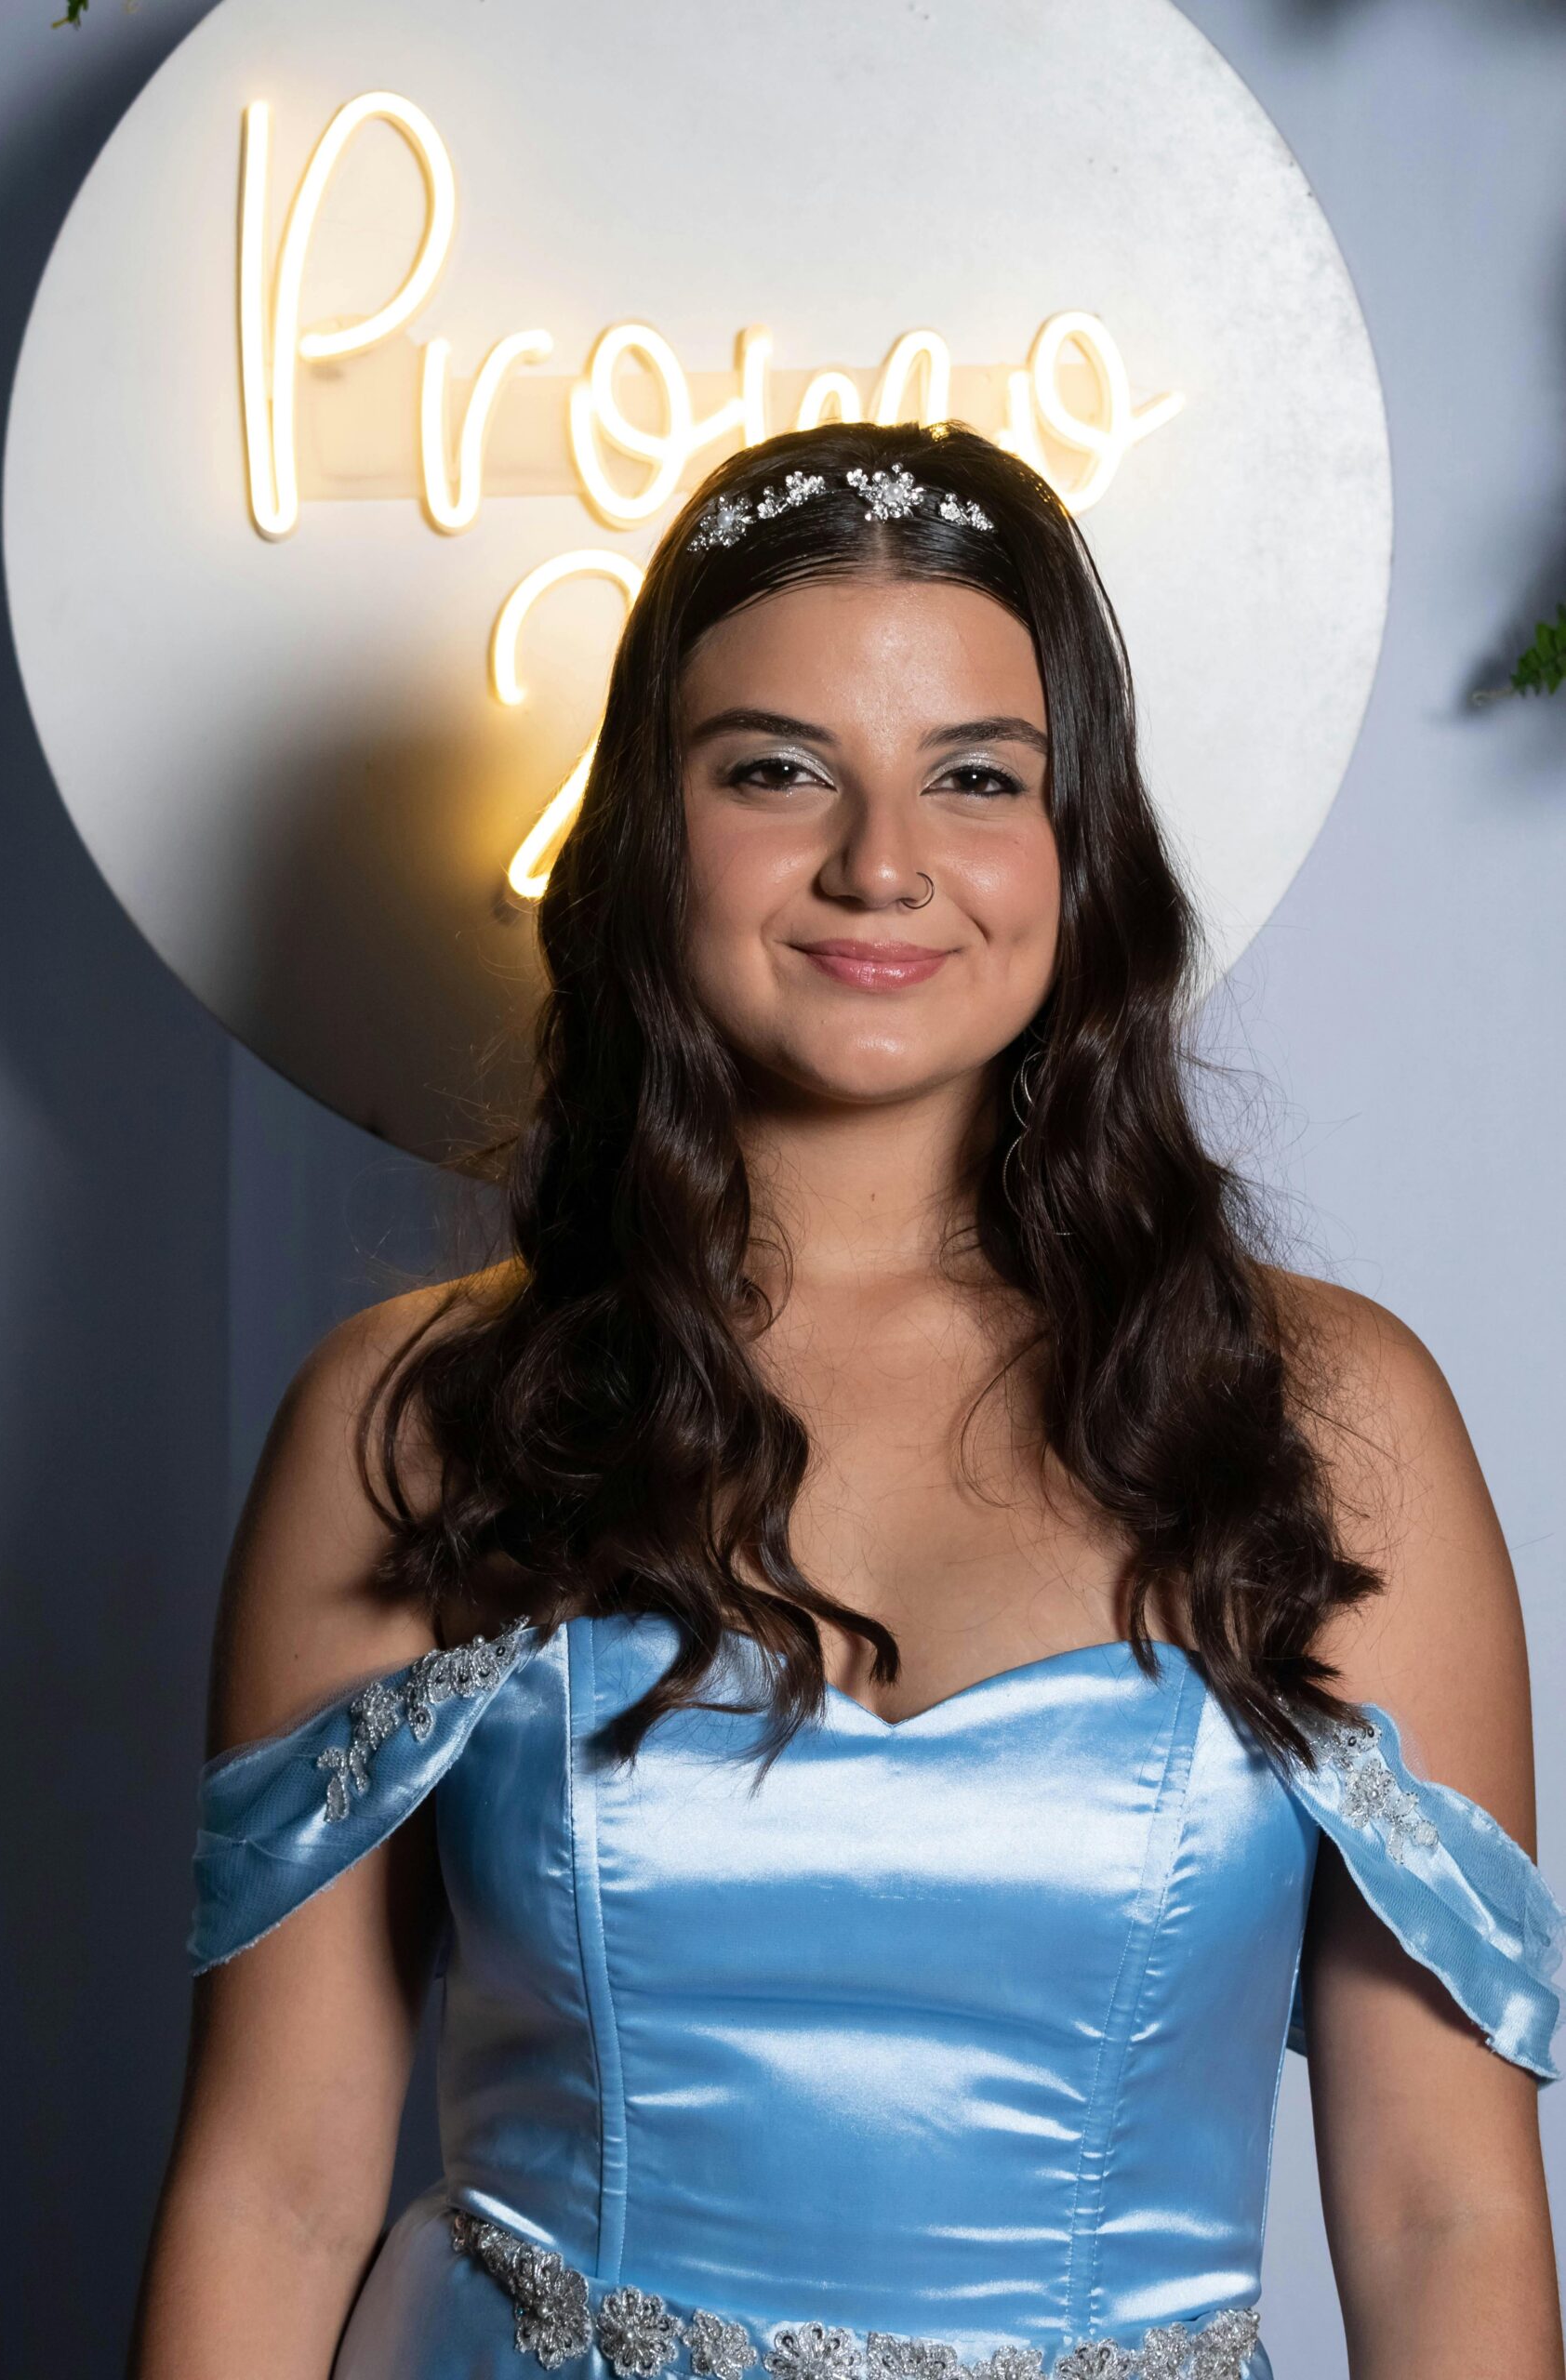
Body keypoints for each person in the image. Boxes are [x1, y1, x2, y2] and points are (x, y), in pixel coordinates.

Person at [130, 420, 1564, 2380]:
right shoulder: (419, 1414)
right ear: (647, 826)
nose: (878, 859)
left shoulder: (1323, 1412)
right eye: (775, 768)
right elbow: (275, 2185)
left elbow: (1443, 2208)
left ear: (1079, 847)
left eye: (974, 775)